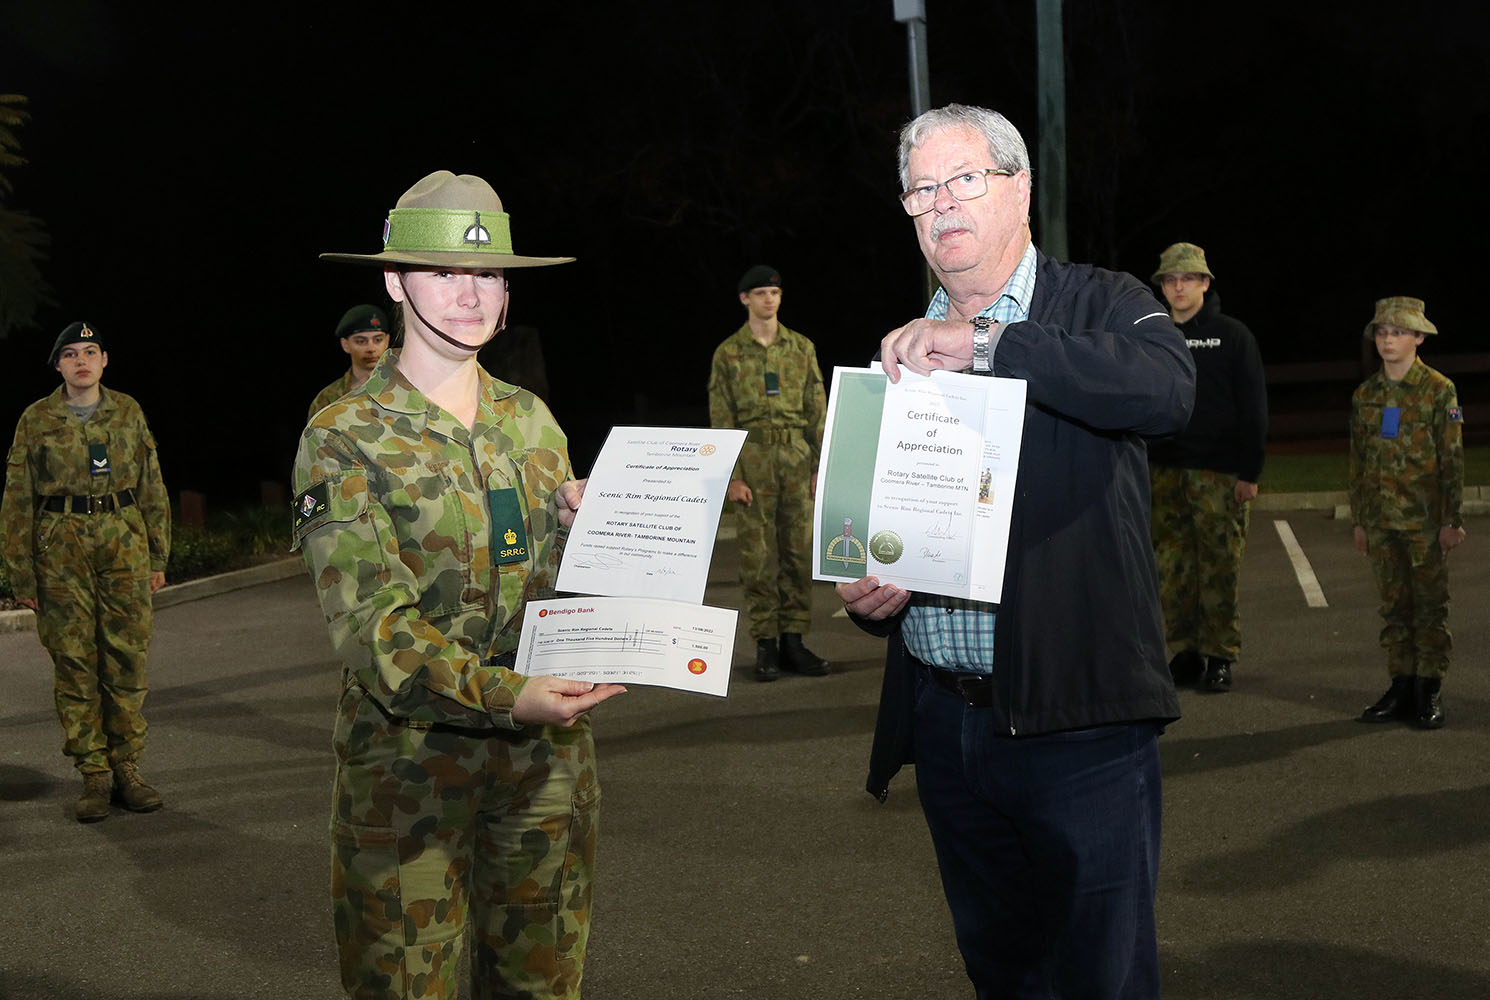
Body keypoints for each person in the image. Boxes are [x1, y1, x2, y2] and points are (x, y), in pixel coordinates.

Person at [836, 104, 1194, 997]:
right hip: (949, 727)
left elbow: (1167, 390)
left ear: (1019, 188)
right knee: (1005, 972)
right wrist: (868, 584)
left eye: (964, 180)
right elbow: (867, 522)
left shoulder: (1104, 302)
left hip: (1080, 721)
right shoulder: (895, 358)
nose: (942, 205)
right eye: (922, 190)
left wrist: (994, 342)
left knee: (1103, 975)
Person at [293, 170, 625, 999]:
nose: (471, 295)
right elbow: (377, 632)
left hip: (545, 774)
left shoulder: (531, 420)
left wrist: (597, 541)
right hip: (408, 781)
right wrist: (510, 695)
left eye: (489, 275)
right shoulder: (344, 436)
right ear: (395, 281)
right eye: (445, 272)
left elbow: (561, 592)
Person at [1, 322, 171, 822]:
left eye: (90, 352)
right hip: (60, 548)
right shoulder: (36, 419)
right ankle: (94, 773)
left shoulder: (128, 412)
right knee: (75, 664)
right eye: (70, 354)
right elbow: (16, 499)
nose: (81, 361)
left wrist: (158, 555)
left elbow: (152, 484)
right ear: (58, 365)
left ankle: (128, 769)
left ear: (103, 361)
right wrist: (22, 574)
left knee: (126, 658)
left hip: (123, 543)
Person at [1146, 242, 1268, 693]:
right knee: (1173, 568)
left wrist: (1249, 472)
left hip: (1217, 475)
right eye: (1170, 280)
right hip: (1164, 472)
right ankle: (1186, 652)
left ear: (1205, 283)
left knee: (1218, 568)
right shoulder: (1152, 335)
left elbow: (1253, 407)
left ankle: (1220, 655)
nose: (1178, 287)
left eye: (1187, 279)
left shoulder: (1232, 336)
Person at [707, 264, 830, 682]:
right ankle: (766, 645)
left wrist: (820, 467)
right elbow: (721, 418)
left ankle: (794, 640)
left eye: (774, 293)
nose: (768, 300)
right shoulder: (728, 353)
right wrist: (732, 476)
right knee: (758, 559)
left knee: (797, 555)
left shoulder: (801, 348)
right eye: (759, 293)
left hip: (796, 458)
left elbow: (818, 411)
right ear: (745, 299)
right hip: (753, 460)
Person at [1349, 296, 1465, 729]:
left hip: (1424, 521)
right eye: (1381, 332)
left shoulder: (1439, 390)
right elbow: (1358, 462)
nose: (1388, 339)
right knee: (1394, 608)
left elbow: (1452, 459)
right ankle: (1400, 683)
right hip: (1381, 522)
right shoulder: (1366, 395)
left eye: (1398, 332)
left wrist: (1452, 520)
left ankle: (1428, 687)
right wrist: (1360, 520)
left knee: (1430, 607)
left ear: (1418, 337)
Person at [307, 303, 392, 419]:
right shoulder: (329, 398)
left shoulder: (406, 388)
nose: (371, 348)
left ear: (387, 341)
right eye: (361, 341)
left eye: (378, 340)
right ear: (345, 344)